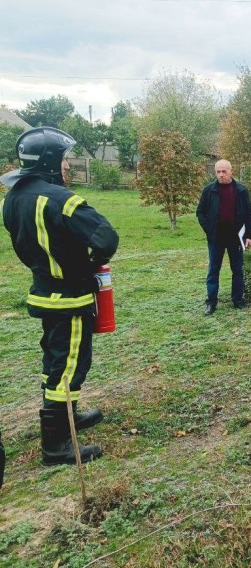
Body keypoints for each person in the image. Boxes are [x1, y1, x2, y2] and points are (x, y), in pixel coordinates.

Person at [1, 126, 119, 466]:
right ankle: (56, 445)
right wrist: (92, 264)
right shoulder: (61, 200)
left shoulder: (13, 198)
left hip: (43, 292)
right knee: (70, 366)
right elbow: (106, 238)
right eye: (65, 160)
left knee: (54, 362)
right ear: (51, 161)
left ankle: (70, 416)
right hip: (71, 298)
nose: (67, 167)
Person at [196, 159, 251, 314]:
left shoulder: (241, 190)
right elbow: (200, 212)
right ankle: (211, 303)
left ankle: (238, 300)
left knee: (237, 270)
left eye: (224, 171)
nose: (221, 175)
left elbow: (249, 214)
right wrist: (209, 229)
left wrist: (249, 235)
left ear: (231, 171)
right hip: (216, 238)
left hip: (236, 238)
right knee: (213, 271)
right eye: (218, 172)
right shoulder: (209, 190)